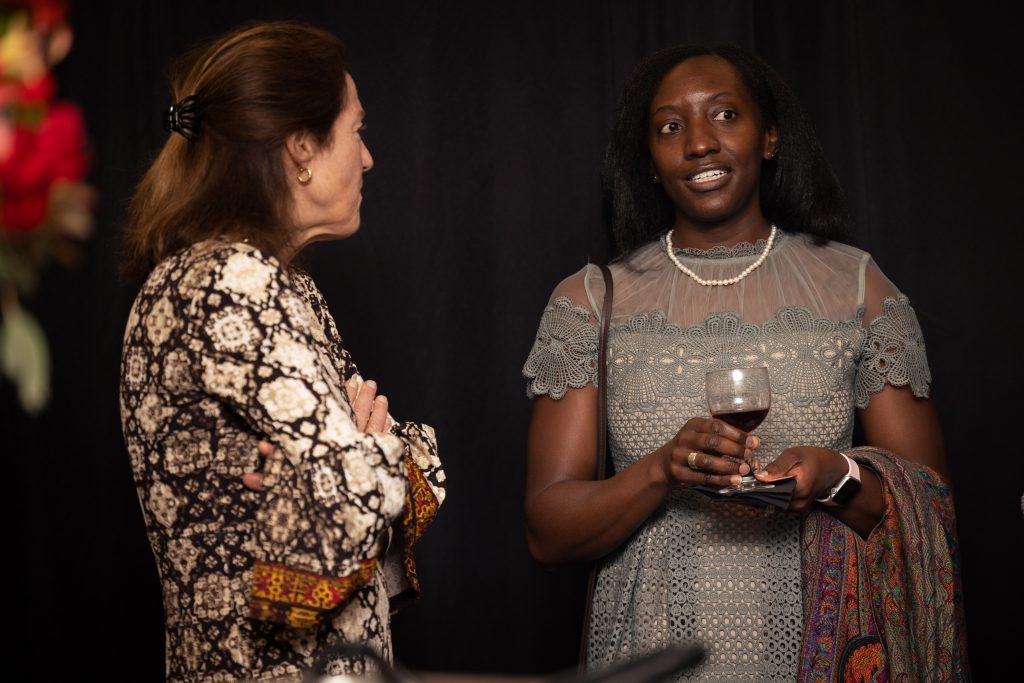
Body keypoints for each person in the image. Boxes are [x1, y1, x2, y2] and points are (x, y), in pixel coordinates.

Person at [523, 45, 968, 681]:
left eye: (725, 116)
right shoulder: (590, 301)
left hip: (818, 657)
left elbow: (930, 516)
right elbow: (548, 532)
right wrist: (661, 470)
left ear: (769, 138)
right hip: (650, 658)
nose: (699, 143)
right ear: (650, 161)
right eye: (670, 127)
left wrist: (833, 475)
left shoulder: (856, 286)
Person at [119, 21, 445, 682]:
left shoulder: (273, 285)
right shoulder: (232, 283)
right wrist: (369, 457)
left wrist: (350, 467)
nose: (369, 157)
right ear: (301, 148)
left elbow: (359, 495)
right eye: (356, 131)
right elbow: (351, 505)